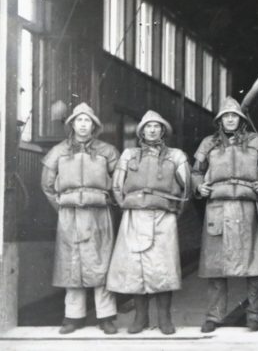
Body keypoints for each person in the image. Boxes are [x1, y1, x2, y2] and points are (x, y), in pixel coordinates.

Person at [192, 97, 258, 332]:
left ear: (241, 120)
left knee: (254, 266)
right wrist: (199, 186)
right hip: (217, 209)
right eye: (226, 116)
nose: (230, 119)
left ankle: (256, 315)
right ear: (220, 120)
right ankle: (214, 316)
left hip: (247, 208)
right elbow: (196, 172)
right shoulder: (209, 144)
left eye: (234, 116)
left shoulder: (256, 142)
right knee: (216, 267)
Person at [106, 110, 191, 335]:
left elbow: (187, 190)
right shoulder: (128, 155)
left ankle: (165, 317)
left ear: (163, 130)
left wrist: (173, 213)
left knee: (164, 268)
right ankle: (140, 317)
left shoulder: (177, 156)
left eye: (157, 126)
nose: (152, 130)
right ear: (141, 131)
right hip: (134, 216)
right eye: (148, 126)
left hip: (164, 217)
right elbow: (117, 185)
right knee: (136, 268)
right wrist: (127, 204)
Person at [41, 103, 119, 335]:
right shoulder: (58, 151)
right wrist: (63, 207)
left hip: (99, 214)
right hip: (69, 215)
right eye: (79, 120)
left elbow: (119, 183)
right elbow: (47, 185)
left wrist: (109, 202)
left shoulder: (107, 151)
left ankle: (105, 316)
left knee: (101, 262)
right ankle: (73, 317)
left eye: (88, 121)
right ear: (72, 124)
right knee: (71, 264)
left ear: (94, 125)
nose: (83, 125)